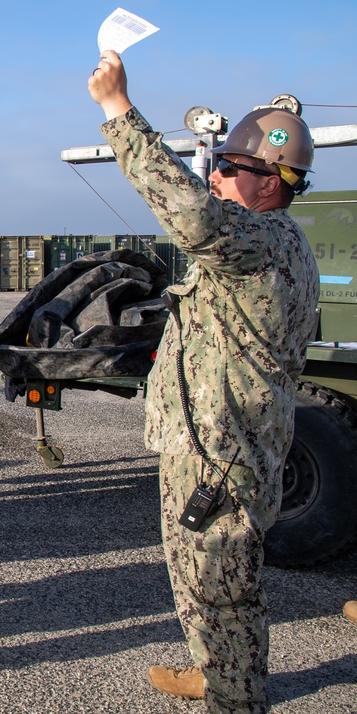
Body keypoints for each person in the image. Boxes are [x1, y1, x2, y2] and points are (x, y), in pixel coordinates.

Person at [89, 52, 319, 712]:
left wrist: (118, 111)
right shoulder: (273, 245)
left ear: (270, 183)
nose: (214, 173)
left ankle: (234, 695)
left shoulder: (263, 244)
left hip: (223, 456)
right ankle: (212, 667)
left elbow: (188, 211)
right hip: (208, 445)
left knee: (225, 588)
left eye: (228, 166)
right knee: (201, 582)